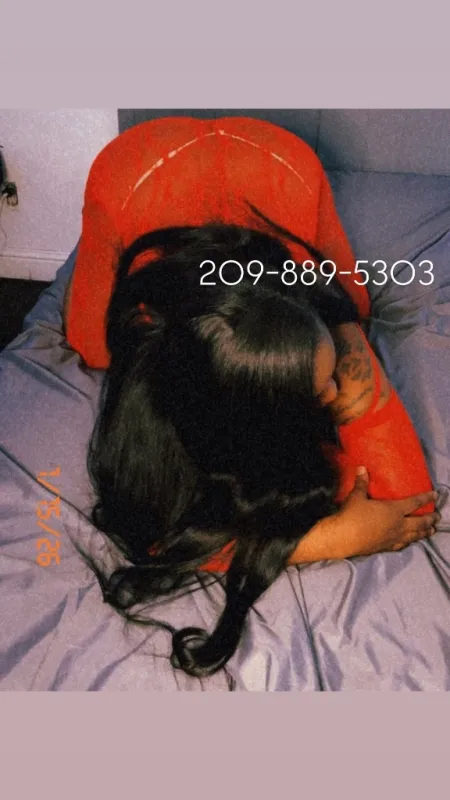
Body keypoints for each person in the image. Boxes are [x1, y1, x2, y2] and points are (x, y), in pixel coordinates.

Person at [63, 116, 439, 678]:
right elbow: (161, 536)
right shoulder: (153, 401)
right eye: (320, 388)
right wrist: (328, 539)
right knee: (90, 344)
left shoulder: (303, 292)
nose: (339, 393)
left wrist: (343, 333)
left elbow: (413, 505)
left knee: (353, 304)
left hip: (280, 164)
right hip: (135, 169)